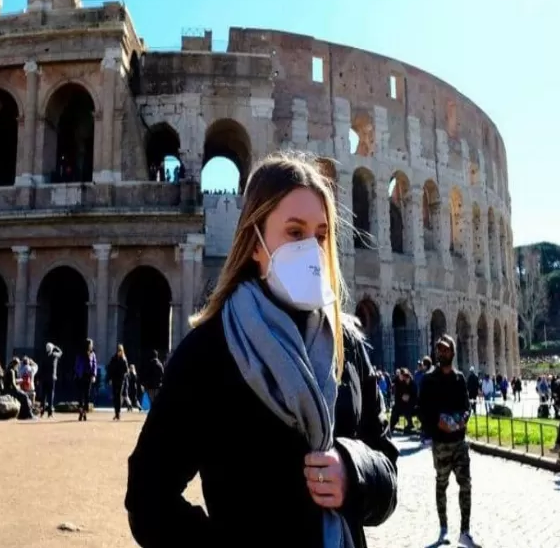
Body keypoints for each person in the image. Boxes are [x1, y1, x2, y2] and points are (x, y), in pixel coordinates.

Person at [125, 152, 398, 548]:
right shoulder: (208, 352)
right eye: (294, 232)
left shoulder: (347, 345)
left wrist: (353, 472)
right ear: (255, 243)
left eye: (321, 236)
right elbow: (148, 497)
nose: (311, 249)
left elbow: (386, 465)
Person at [418, 335, 478, 547]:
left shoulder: (459, 378)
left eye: (445, 349)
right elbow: (422, 410)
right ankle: (443, 528)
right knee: (441, 484)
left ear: (452, 352)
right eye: (439, 349)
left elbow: (466, 406)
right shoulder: (429, 380)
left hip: (459, 442)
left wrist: (463, 419)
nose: (442, 353)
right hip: (441, 443)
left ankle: (465, 531)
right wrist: (437, 422)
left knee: (466, 485)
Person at [74, 339, 97, 422]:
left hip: (88, 376)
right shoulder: (80, 354)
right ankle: (81, 410)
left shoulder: (93, 354)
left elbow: (94, 365)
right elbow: (76, 365)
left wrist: (94, 375)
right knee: (80, 394)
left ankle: (84, 411)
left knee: (87, 394)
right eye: (91, 344)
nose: (92, 346)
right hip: (81, 376)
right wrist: (77, 373)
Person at [40, 343, 62, 417]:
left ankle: (42, 411)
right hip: (52, 377)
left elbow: (41, 367)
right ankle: (50, 412)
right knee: (51, 395)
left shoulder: (43, 356)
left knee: (43, 395)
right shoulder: (54, 355)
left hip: (44, 378)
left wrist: (40, 377)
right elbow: (61, 353)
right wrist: (56, 347)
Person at [108, 344, 129, 420]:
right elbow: (110, 369)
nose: (119, 352)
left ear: (122, 351)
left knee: (119, 396)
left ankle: (118, 413)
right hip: (114, 379)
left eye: (120, 350)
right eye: (118, 350)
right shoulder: (113, 359)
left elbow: (126, 370)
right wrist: (110, 378)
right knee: (115, 396)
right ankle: (116, 413)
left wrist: (123, 375)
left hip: (120, 380)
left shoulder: (124, 359)